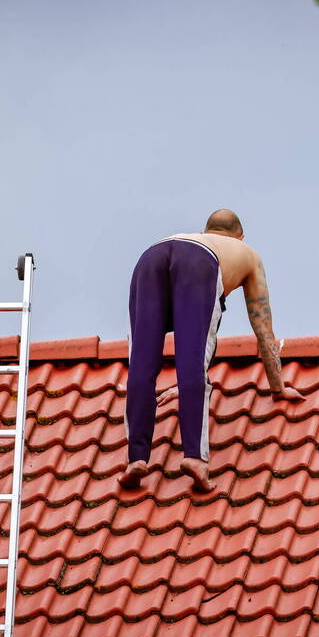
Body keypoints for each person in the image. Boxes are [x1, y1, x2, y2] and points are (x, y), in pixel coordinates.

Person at [119, 208, 304, 492]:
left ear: (207, 231)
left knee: (141, 364)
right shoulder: (247, 255)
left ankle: (136, 460)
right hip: (198, 263)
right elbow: (263, 328)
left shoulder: (189, 238)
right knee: (191, 361)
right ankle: (195, 458)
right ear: (240, 237)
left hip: (149, 258)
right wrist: (278, 387)